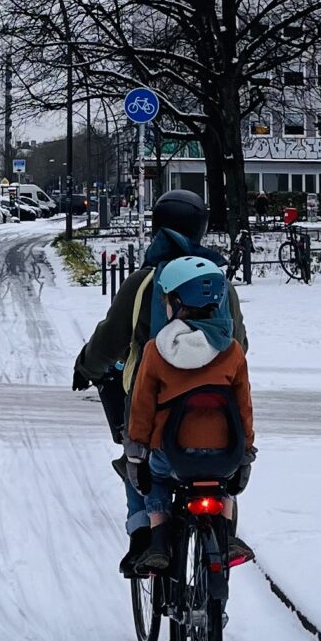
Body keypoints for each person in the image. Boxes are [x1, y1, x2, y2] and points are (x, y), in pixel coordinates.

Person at [72, 186, 249, 498]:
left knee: (138, 468)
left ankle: (144, 533)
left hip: (155, 404)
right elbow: (240, 343)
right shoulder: (219, 286)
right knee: (220, 467)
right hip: (215, 403)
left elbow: (111, 339)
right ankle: (225, 527)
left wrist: (87, 366)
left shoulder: (143, 282)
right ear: (201, 229)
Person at [121, 252, 255, 574]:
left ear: (177, 302)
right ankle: (225, 536)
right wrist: (245, 451)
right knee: (222, 487)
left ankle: (159, 540)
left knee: (157, 479)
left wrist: (136, 454)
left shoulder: (156, 351)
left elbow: (142, 409)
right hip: (224, 454)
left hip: (172, 453)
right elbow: (243, 407)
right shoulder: (232, 351)